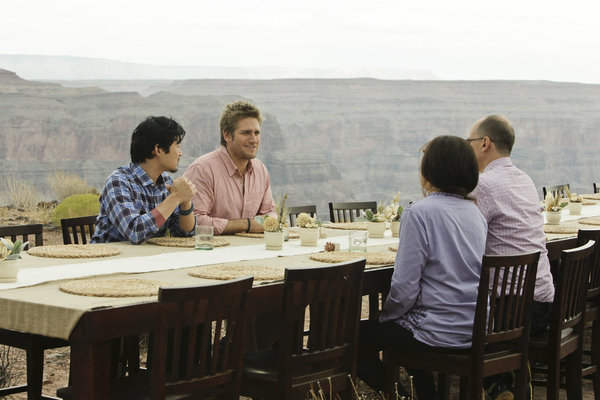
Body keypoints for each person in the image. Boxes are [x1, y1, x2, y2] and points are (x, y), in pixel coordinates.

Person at [357, 135, 487, 399]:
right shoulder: (476, 213)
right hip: (475, 328)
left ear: (430, 171)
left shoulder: (419, 213)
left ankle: (403, 396)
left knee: (352, 339)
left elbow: (404, 288)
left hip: (437, 331)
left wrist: (386, 315)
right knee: (402, 331)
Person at [468, 114, 554, 400]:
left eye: (470, 142)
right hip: (542, 304)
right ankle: (513, 375)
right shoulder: (525, 180)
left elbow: (466, 241)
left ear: (485, 143)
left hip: (510, 311)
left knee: (458, 320)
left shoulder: (484, 185)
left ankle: (498, 386)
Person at [92, 116, 197, 244]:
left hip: (147, 259)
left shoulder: (167, 182)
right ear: (158, 150)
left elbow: (184, 233)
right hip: (109, 260)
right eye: (177, 146)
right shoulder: (118, 182)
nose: (180, 153)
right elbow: (135, 232)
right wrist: (175, 198)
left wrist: (185, 202)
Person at [183, 100, 276, 235]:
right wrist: (246, 224)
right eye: (246, 133)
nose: (253, 139)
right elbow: (195, 221)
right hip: (211, 252)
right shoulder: (203, 169)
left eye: (257, 133)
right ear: (227, 135)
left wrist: (264, 222)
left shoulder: (260, 169)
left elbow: (270, 212)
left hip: (252, 250)